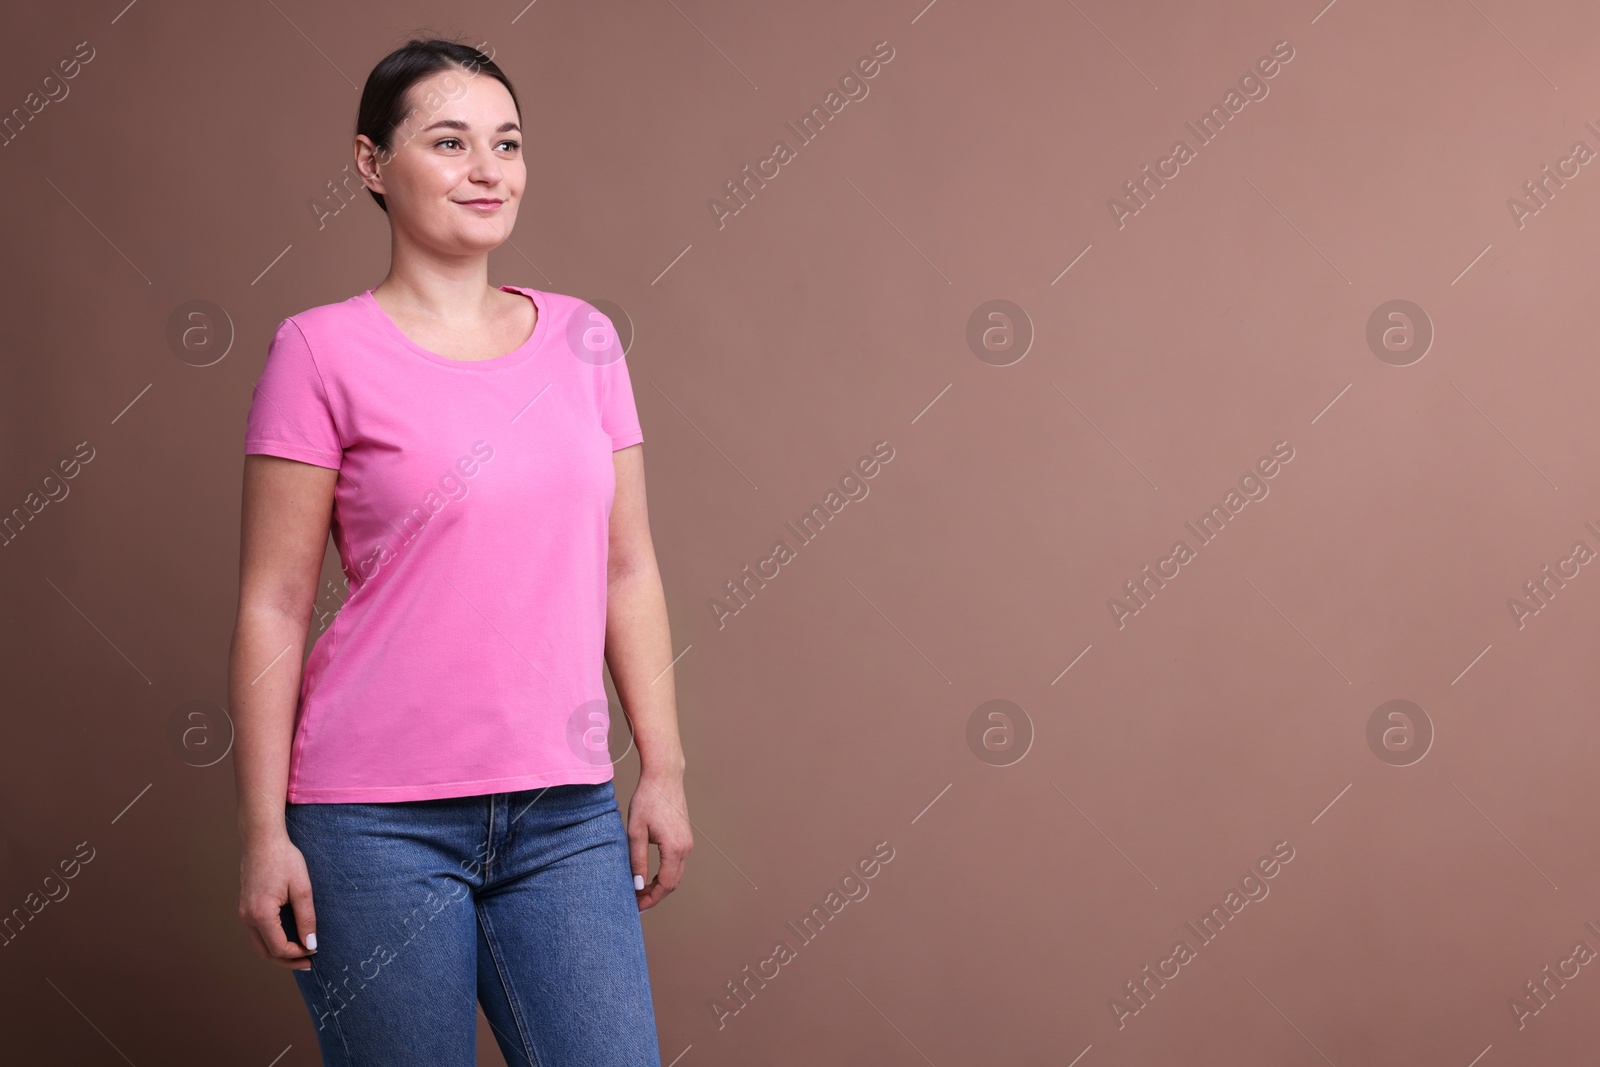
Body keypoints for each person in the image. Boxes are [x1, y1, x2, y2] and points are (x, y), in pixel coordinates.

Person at [228, 37, 690, 1067]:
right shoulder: (318, 351)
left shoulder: (585, 341)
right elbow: (273, 602)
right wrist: (266, 829)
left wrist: (661, 762)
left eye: (507, 143)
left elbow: (629, 567)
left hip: (562, 813)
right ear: (370, 162)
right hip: (370, 825)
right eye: (449, 142)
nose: (489, 171)